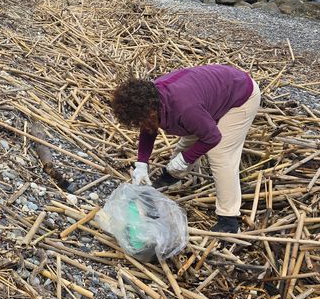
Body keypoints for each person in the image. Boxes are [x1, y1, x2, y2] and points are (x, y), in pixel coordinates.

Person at [110, 64, 261, 233]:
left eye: (143, 120)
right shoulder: (150, 100)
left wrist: (185, 159)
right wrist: (141, 164)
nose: (143, 125)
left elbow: (213, 137)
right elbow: (148, 128)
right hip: (212, 97)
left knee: (221, 154)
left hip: (241, 97)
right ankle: (172, 179)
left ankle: (229, 219)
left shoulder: (185, 108)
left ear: (152, 111)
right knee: (187, 144)